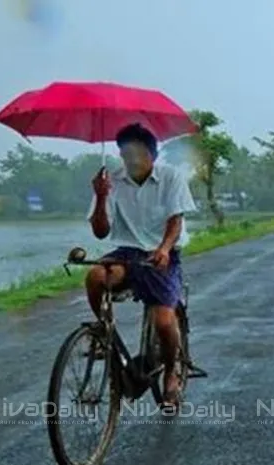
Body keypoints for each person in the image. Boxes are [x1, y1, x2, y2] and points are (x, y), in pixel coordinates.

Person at [85, 122, 197, 411]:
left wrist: (163, 248)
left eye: (138, 153)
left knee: (163, 320)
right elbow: (100, 231)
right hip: (127, 253)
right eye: (126, 153)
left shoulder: (171, 177)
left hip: (161, 254)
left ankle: (171, 373)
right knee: (95, 276)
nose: (132, 159)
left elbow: (175, 220)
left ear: (153, 154)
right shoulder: (111, 181)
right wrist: (100, 196)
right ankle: (103, 334)